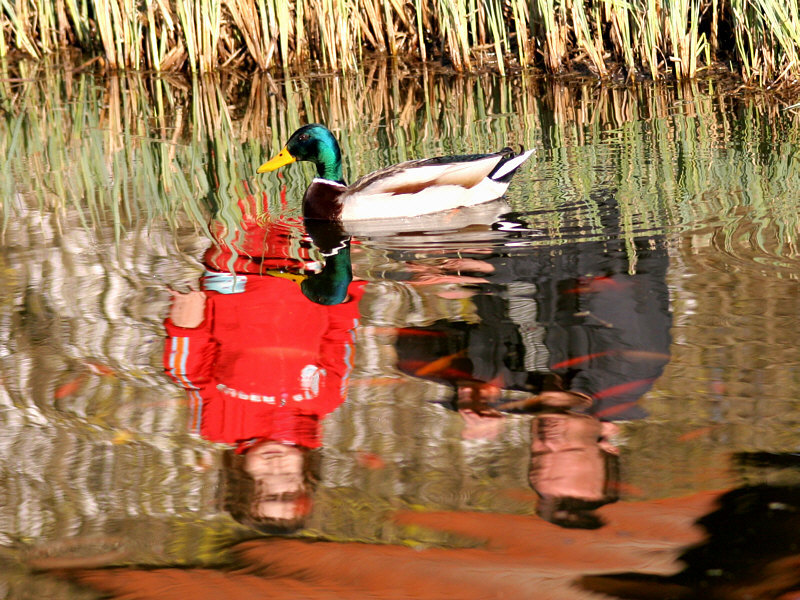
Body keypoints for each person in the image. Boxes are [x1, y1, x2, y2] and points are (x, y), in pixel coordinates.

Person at [395, 220, 671, 528]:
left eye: (539, 456)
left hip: (495, 218)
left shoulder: (522, 382)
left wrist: (468, 381)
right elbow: (586, 251)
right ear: (607, 437)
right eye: (569, 448)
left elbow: (410, 350)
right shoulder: (632, 361)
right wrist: (490, 267)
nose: (548, 440)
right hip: (567, 205)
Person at [164, 191, 363, 533]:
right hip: (305, 269)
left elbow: (189, 372)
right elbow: (339, 336)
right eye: (287, 476)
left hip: (236, 271)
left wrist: (186, 320)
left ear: (241, 474)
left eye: (263, 481)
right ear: (305, 470)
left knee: (241, 194)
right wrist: (348, 282)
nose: (275, 468)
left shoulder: (218, 425)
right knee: (306, 198)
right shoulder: (325, 400)